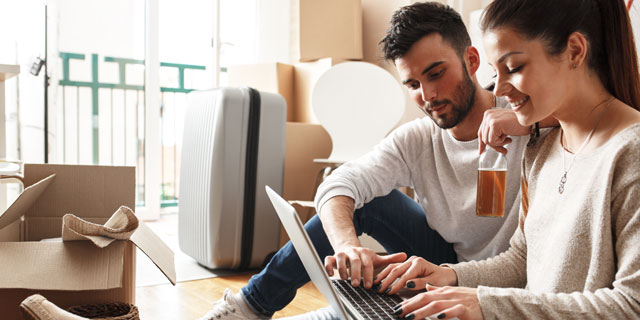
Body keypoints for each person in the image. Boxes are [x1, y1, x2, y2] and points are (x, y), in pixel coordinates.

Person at [198, 2, 550, 319]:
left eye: (436, 73)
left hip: (503, 278)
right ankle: (249, 307)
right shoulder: (417, 138)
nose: (427, 96)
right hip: (443, 262)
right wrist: (348, 248)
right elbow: (339, 182)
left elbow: (591, 113)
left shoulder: (527, 115)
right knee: (366, 200)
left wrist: (529, 121)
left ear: (471, 61)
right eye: (412, 83)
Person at [371, 0, 640, 319]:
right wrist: (449, 277)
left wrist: (486, 304)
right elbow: (521, 258)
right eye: (495, 71)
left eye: (513, 68)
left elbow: (631, 304)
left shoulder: (629, 153)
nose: (498, 88)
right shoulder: (542, 146)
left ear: (575, 51)